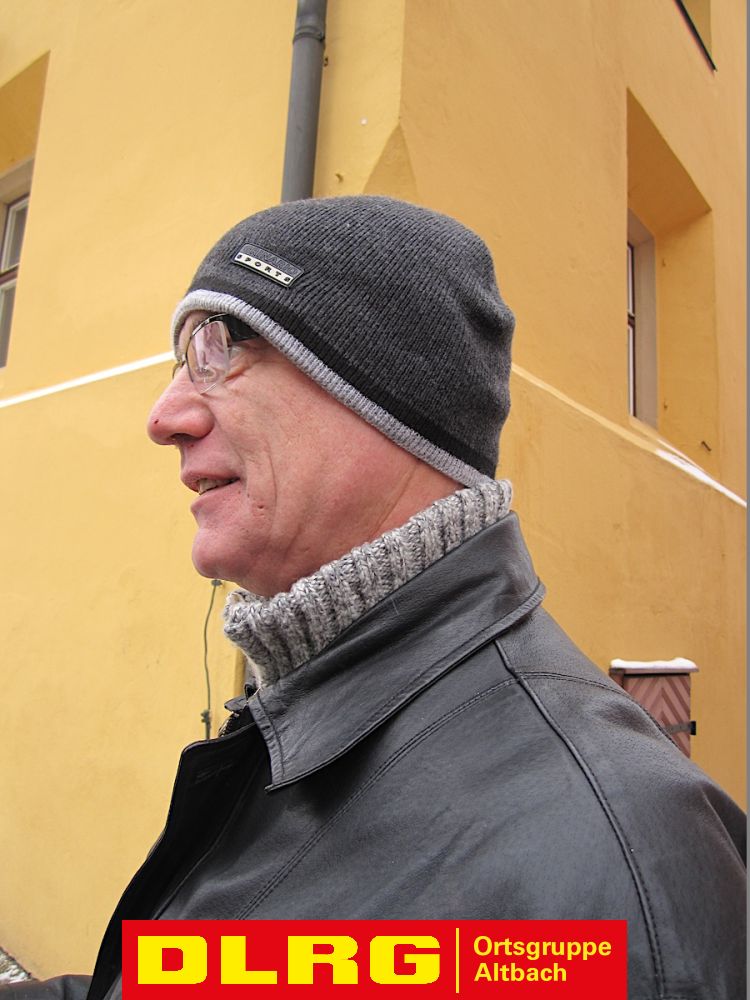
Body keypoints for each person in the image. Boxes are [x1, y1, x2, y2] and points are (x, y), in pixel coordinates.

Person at [4, 196, 745, 999]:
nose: (165, 416)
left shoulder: (612, 860)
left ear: (388, 394)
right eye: (178, 363)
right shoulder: (310, 718)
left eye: (216, 347)